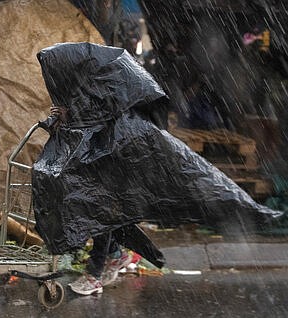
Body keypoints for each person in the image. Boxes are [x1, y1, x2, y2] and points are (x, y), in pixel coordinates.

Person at [31, 42, 284, 296]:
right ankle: (114, 256)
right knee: (107, 208)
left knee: (104, 207)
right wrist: (61, 116)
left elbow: (91, 122)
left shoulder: (107, 93)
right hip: (117, 159)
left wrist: (67, 116)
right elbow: (83, 121)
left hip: (129, 154)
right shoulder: (91, 88)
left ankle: (95, 272)